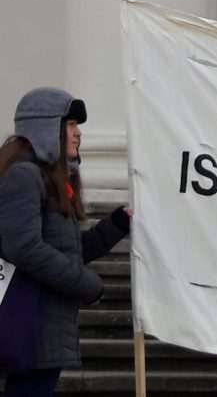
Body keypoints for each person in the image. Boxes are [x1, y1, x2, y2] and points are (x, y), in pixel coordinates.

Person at [0, 87, 132, 396]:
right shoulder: (25, 176)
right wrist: (88, 286)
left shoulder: (48, 178)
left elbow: (66, 252)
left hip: (43, 328)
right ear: (46, 127)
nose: (78, 133)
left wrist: (117, 224)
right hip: (31, 325)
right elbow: (24, 248)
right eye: (70, 124)